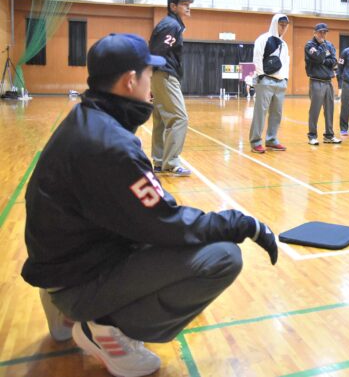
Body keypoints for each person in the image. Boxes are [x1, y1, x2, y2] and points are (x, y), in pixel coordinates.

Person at [22, 33, 278, 377]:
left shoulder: (85, 119)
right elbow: (168, 224)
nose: (152, 84)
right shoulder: (111, 145)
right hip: (74, 278)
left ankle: (66, 310)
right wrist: (243, 223)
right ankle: (106, 329)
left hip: (57, 265)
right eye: (148, 75)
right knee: (222, 257)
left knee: (169, 240)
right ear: (130, 81)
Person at [149, 0, 193, 176]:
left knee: (161, 119)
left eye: (188, 3)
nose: (188, 6)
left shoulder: (171, 24)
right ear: (173, 6)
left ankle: (159, 162)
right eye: (183, 4)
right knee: (179, 118)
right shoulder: (172, 25)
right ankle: (171, 163)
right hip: (165, 74)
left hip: (158, 75)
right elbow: (158, 51)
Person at [249, 14, 291, 153]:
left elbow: (285, 63)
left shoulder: (284, 44)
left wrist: (285, 79)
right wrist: (261, 76)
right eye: (281, 24)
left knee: (276, 113)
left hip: (280, 83)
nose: (283, 27)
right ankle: (255, 142)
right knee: (260, 113)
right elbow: (257, 57)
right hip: (265, 80)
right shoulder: (263, 39)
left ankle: (271, 139)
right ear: (275, 23)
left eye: (286, 25)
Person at [305, 23, 342, 145]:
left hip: (328, 82)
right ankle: (312, 136)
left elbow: (334, 61)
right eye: (320, 32)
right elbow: (318, 58)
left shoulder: (329, 45)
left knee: (330, 110)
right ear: (314, 33)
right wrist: (323, 55)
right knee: (315, 110)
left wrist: (323, 60)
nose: (323, 34)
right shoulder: (309, 45)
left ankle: (329, 135)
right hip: (316, 81)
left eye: (324, 32)